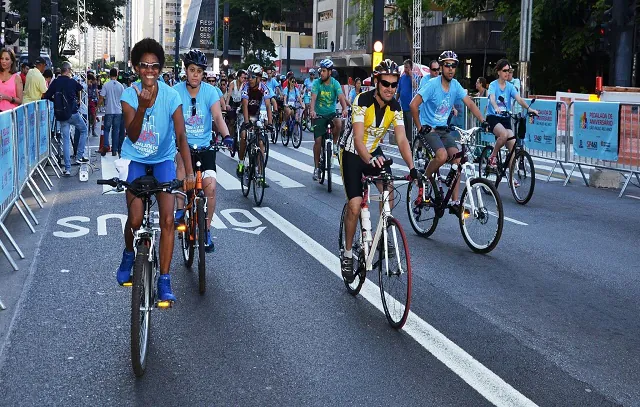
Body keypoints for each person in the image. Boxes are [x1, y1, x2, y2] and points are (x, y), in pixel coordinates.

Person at [116, 38, 195, 303]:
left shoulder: (171, 95)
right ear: (136, 68)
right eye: (144, 66)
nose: (150, 71)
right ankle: (129, 254)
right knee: (136, 219)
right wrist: (141, 106)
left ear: (160, 69)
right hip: (136, 159)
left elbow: (182, 135)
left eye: (155, 66)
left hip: (162, 161)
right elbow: (133, 135)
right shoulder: (129, 94)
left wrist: (189, 173)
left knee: (169, 220)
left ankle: (164, 279)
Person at [339, 59, 419, 282]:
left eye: (394, 85)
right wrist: (368, 160)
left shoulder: (395, 106)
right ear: (376, 81)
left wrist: (413, 168)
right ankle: (347, 254)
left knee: (389, 189)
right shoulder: (361, 101)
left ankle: (384, 231)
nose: (390, 89)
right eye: (386, 83)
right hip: (353, 153)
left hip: (373, 151)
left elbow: (402, 139)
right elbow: (357, 138)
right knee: (355, 206)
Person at [409, 50, 487, 214]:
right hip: (429, 129)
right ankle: (424, 179)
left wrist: (484, 121)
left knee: (458, 158)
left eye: (454, 66)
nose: (450, 69)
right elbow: (413, 105)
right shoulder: (432, 85)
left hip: (443, 130)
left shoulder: (456, 85)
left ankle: (455, 201)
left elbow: (471, 104)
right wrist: (420, 128)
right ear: (442, 67)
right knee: (442, 156)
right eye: (447, 65)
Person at [173, 50, 232, 253]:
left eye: (199, 71)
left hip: (205, 146)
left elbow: (217, 117)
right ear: (186, 71)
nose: (195, 75)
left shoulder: (211, 92)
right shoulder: (176, 91)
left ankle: (206, 230)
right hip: (184, 146)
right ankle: (180, 211)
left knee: (211, 188)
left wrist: (226, 136)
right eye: (192, 70)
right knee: (181, 168)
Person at [486, 59, 538, 174]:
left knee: (513, 145)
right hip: (493, 117)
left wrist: (530, 109)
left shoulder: (510, 86)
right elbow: (492, 98)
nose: (507, 73)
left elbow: (519, 99)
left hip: (505, 118)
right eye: (504, 70)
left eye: (509, 71)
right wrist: (495, 107)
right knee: (503, 135)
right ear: (498, 71)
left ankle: (511, 177)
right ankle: (493, 157)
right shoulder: (493, 85)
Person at [43, 62, 89, 176]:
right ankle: (79, 156)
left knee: (66, 140)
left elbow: (47, 95)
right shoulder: (71, 81)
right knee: (84, 130)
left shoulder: (56, 82)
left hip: (61, 115)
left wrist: (57, 102)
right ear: (68, 70)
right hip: (73, 113)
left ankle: (67, 168)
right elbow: (81, 87)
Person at [310, 58, 348, 180]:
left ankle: (335, 144)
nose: (321, 73)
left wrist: (344, 108)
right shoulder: (316, 83)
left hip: (331, 114)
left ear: (330, 72)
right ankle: (316, 168)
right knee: (318, 141)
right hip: (319, 115)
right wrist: (312, 110)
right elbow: (313, 98)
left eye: (324, 71)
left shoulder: (335, 83)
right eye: (321, 70)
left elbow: (341, 97)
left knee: (339, 122)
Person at [236, 63, 273, 185]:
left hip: (256, 115)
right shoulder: (245, 87)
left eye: (252, 77)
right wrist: (246, 123)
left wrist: (270, 123)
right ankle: (241, 163)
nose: (249, 79)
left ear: (259, 78)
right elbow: (245, 105)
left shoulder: (264, 88)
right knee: (243, 136)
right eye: (248, 76)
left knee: (261, 143)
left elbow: (268, 106)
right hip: (245, 115)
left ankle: (261, 175)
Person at [98, 68, 125, 156]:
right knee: (116, 130)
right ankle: (114, 150)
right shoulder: (120, 86)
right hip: (118, 111)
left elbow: (101, 97)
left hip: (109, 110)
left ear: (109, 75)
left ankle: (105, 145)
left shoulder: (106, 85)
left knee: (106, 129)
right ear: (117, 75)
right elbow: (123, 100)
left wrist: (97, 107)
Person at [396, 59, 416, 141]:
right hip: (402, 107)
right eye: (405, 67)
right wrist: (395, 101)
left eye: (407, 67)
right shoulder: (402, 78)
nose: (405, 69)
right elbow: (399, 91)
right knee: (404, 126)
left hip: (410, 107)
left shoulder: (414, 77)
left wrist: (411, 75)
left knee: (410, 127)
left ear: (411, 68)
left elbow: (415, 86)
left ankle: (411, 142)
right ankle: (405, 141)